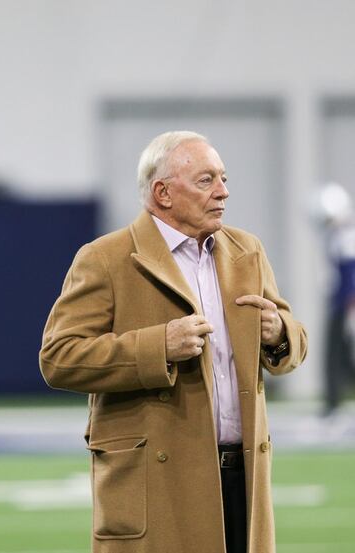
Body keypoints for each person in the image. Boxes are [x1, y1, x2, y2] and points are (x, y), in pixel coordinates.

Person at [39, 131, 307, 553]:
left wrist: (280, 334)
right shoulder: (105, 258)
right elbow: (59, 357)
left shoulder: (247, 251)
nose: (224, 191)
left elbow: (293, 337)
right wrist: (157, 347)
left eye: (224, 178)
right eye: (206, 180)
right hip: (157, 482)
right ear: (162, 193)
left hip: (244, 477)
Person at [316, 182, 355, 416]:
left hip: (345, 304)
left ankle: (334, 401)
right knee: (336, 351)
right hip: (338, 302)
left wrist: (349, 304)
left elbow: (350, 273)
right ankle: (333, 400)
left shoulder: (347, 235)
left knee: (340, 351)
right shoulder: (336, 234)